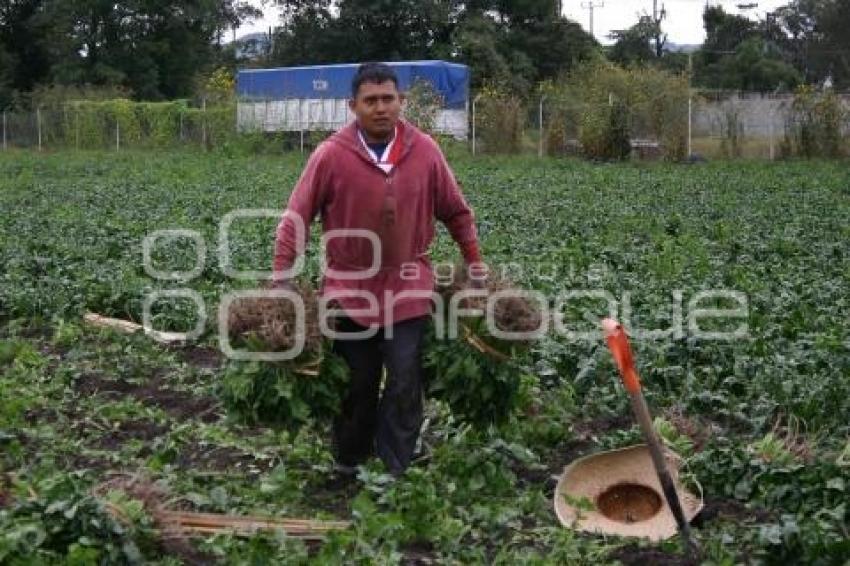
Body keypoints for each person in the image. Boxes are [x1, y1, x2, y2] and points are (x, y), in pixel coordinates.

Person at [272, 62, 484, 476]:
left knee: (406, 382)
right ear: (353, 106)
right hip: (349, 291)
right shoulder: (331, 156)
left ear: (401, 102)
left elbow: (457, 213)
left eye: (388, 98)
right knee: (357, 384)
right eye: (371, 101)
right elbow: (296, 216)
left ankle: (395, 467)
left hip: (409, 287)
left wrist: (475, 263)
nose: (381, 108)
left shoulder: (425, 152)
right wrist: (281, 278)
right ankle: (350, 461)